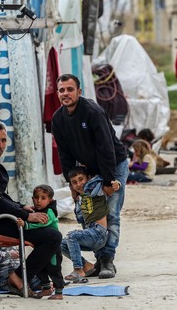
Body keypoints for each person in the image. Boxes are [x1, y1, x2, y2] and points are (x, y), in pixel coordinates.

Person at [0, 121, 62, 297]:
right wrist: (26, 216)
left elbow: (1, 197)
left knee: (49, 230)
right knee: (53, 237)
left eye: (4, 141)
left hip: (3, 218)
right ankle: (18, 277)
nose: (0, 145)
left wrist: (21, 206)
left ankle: (42, 281)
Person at [51, 73, 129, 279]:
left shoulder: (93, 112)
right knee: (89, 214)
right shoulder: (58, 119)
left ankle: (107, 261)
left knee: (110, 212)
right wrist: (72, 185)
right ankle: (95, 260)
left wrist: (107, 181)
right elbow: (64, 154)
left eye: (69, 89)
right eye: (61, 90)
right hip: (89, 170)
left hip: (114, 164)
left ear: (79, 91)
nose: (65, 94)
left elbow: (107, 149)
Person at [61, 167, 120, 282]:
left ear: (88, 178)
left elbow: (111, 187)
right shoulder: (79, 199)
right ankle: (87, 266)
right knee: (60, 244)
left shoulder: (96, 190)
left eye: (81, 179)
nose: (79, 184)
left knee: (72, 236)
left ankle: (78, 269)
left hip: (99, 233)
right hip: (90, 235)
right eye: (74, 182)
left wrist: (117, 184)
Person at [22, 185, 65, 300]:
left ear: (50, 200)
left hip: (53, 248)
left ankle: (59, 292)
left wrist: (26, 225)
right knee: (41, 267)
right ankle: (46, 288)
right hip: (41, 245)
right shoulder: (35, 210)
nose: (39, 201)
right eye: (36, 197)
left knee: (54, 269)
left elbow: (43, 222)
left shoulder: (50, 211)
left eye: (43, 198)